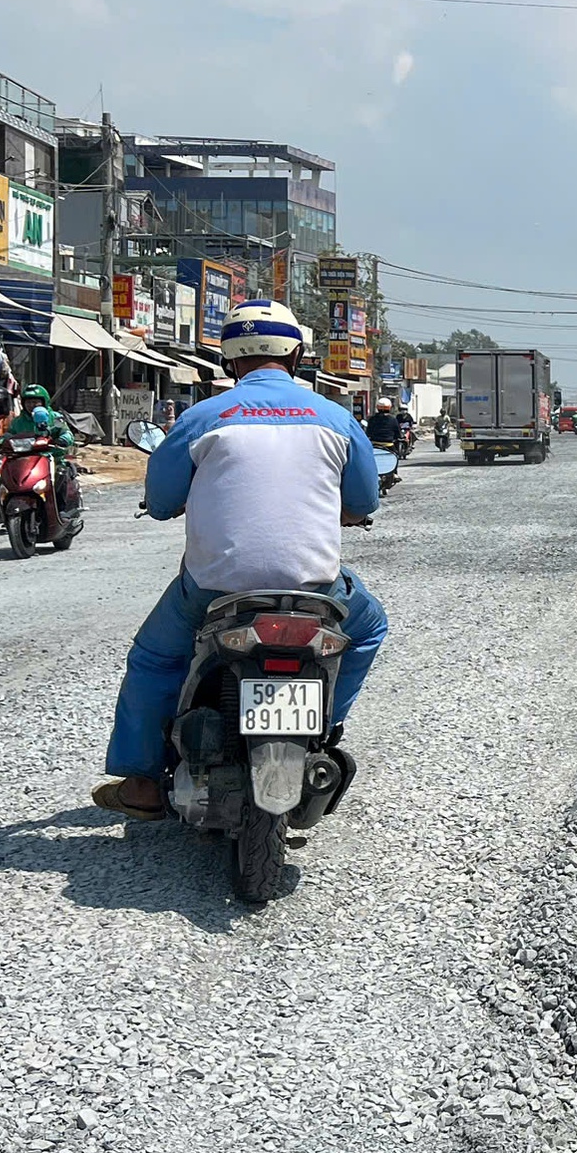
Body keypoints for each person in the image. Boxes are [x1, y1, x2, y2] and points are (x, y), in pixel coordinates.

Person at [93, 301, 387, 817]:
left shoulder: (201, 417)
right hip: (316, 589)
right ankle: (324, 724)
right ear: (296, 354)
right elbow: (362, 503)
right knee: (368, 627)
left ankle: (140, 782)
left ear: (229, 359)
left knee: (156, 659)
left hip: (213, 589)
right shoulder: (337, 417)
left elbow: (161, 502)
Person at [6, 383, 82, 524]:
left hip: (52, 458)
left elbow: (67, 433)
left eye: (36, 402)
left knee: (60, 474)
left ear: (44, 402)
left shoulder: (55, 418)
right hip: (24, 460)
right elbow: (8, 436)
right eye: (28, 402)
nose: (32, 405)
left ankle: (61, 509)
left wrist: (63, 439)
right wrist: (0, 442)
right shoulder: (18, 422)